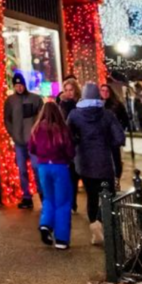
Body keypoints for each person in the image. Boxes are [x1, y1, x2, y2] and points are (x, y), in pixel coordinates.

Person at [67, 83, 125, 245]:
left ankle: (95, 227)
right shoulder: (107, 115)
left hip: (84, 163)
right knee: (109, 195)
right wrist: (107, 142)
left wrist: (78, 142)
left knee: (91, 196)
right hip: (104, 162)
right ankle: (104, 222)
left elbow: (67, 137)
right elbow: (119, 138)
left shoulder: (74, 115)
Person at [28, 101, 75, 249]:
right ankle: (61, 239)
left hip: (43, 167)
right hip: (60, 166)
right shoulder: (61, 129)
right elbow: (70, 150)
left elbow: (31, 148)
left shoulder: (36, 129)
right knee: (62, 202)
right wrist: (68, 159)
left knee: (48, 199)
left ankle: (45, 224)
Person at [3, 71, 43, 209]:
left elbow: (41, 116)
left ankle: (42, 194)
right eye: (17, 85)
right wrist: (13, 133)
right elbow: (7, 119)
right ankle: (26, 197)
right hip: (19, 141)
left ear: (25, 85)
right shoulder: (10, 101)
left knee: (36, 168)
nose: (19, 87)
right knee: (22, 170)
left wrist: (37, 133)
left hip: (33, 142)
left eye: (21, 85)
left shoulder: (35, 99)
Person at [57, 77, 81, 211]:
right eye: (66, 90)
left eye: (71, 90)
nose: (68, 92)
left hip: (80, 142)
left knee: (79, 173)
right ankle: (72, 202)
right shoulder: (62, 103)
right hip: (68, 142)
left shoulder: (80, 103)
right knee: (71, 175)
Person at [100, 83, 130, 182]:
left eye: (106, 91)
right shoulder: (98, 104)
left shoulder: (116, 105)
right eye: (102, 91)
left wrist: (119, 129)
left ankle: (117, 178)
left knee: (116, 158)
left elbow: (125, 119)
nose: (104, 93)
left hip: (112, 136)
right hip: (101, 137)